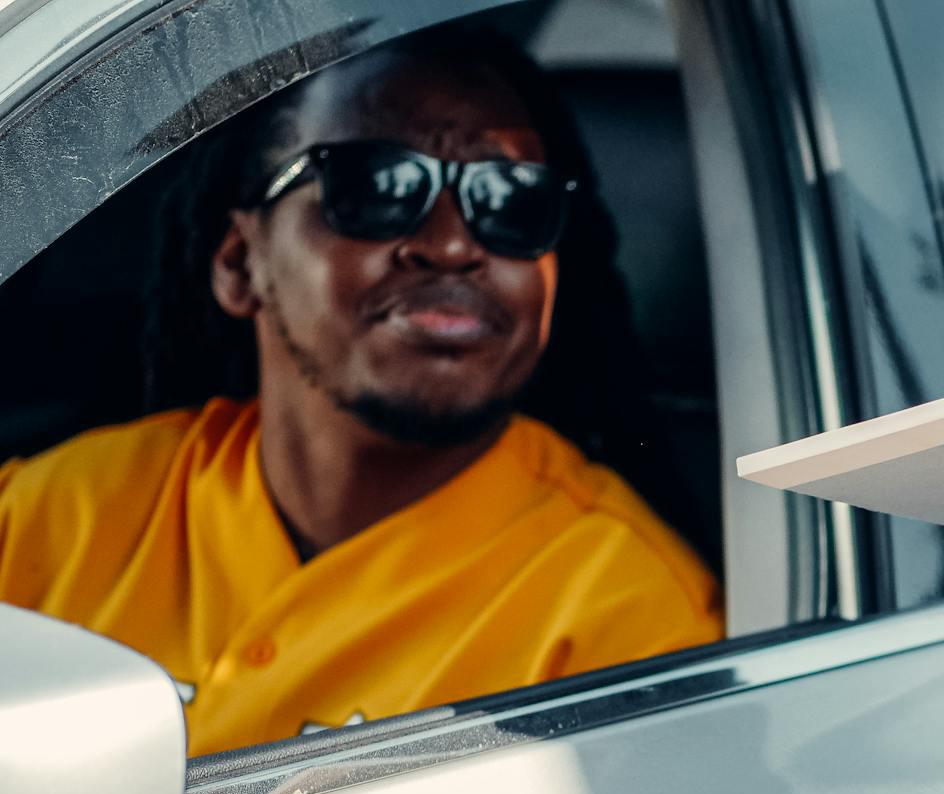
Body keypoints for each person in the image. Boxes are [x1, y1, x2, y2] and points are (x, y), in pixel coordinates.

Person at [0, 25, 722, 756]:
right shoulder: (51, 515)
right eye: (375, 185)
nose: (450, 244)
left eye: (511, 200)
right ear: (239, 263)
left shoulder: (626, 614)